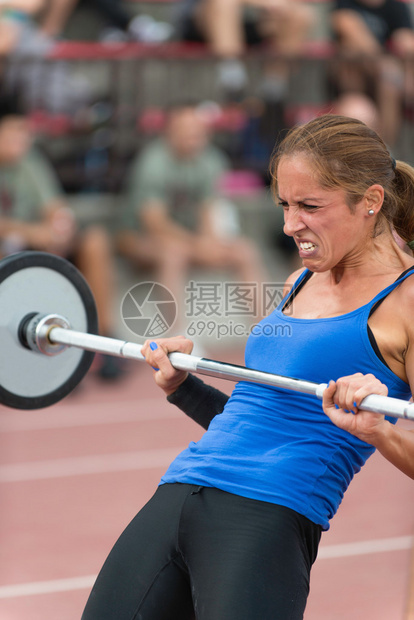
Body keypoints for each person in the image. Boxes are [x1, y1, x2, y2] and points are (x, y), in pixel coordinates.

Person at [81, 114, 414, 619]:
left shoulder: (406, 302)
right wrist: (182, 387)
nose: (289, 224)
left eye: (309, 206)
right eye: (284, 204)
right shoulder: (297, 283)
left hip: (270, 515)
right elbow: (257, 417)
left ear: (369, 201)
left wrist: (379, 430)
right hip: (180, 493)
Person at [0, 94, 124, 379]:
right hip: (9, 251)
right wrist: (32, 231)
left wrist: (59, 225)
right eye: (14, 131)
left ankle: (101, 341)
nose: (23, 138)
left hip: (35, 245)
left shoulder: (30, 160)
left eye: (25, 131)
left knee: (95, 241)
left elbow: (53, 204)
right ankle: (44, 350)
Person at [116, 102, 267, 318]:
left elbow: (211, 208)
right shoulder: (152, 162)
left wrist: (209, 241)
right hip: (138, 239)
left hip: (190, 239)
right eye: (185, 129)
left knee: (245, 250)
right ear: (169, 130)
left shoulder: (213, 159)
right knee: (173, 253)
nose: (192, 135)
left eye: (197, 129)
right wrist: (199, 245)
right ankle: (177, 337)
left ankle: (266, 332)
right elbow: (154, 224)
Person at [330, 0, 414, 147]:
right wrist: (382, 61)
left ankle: (385, 148)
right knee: (351, 51)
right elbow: (345, 25)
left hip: (387, 83)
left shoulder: (396, 7)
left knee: (390, 82)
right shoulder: (345, 3)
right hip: (353, 83)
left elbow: (406, 40)